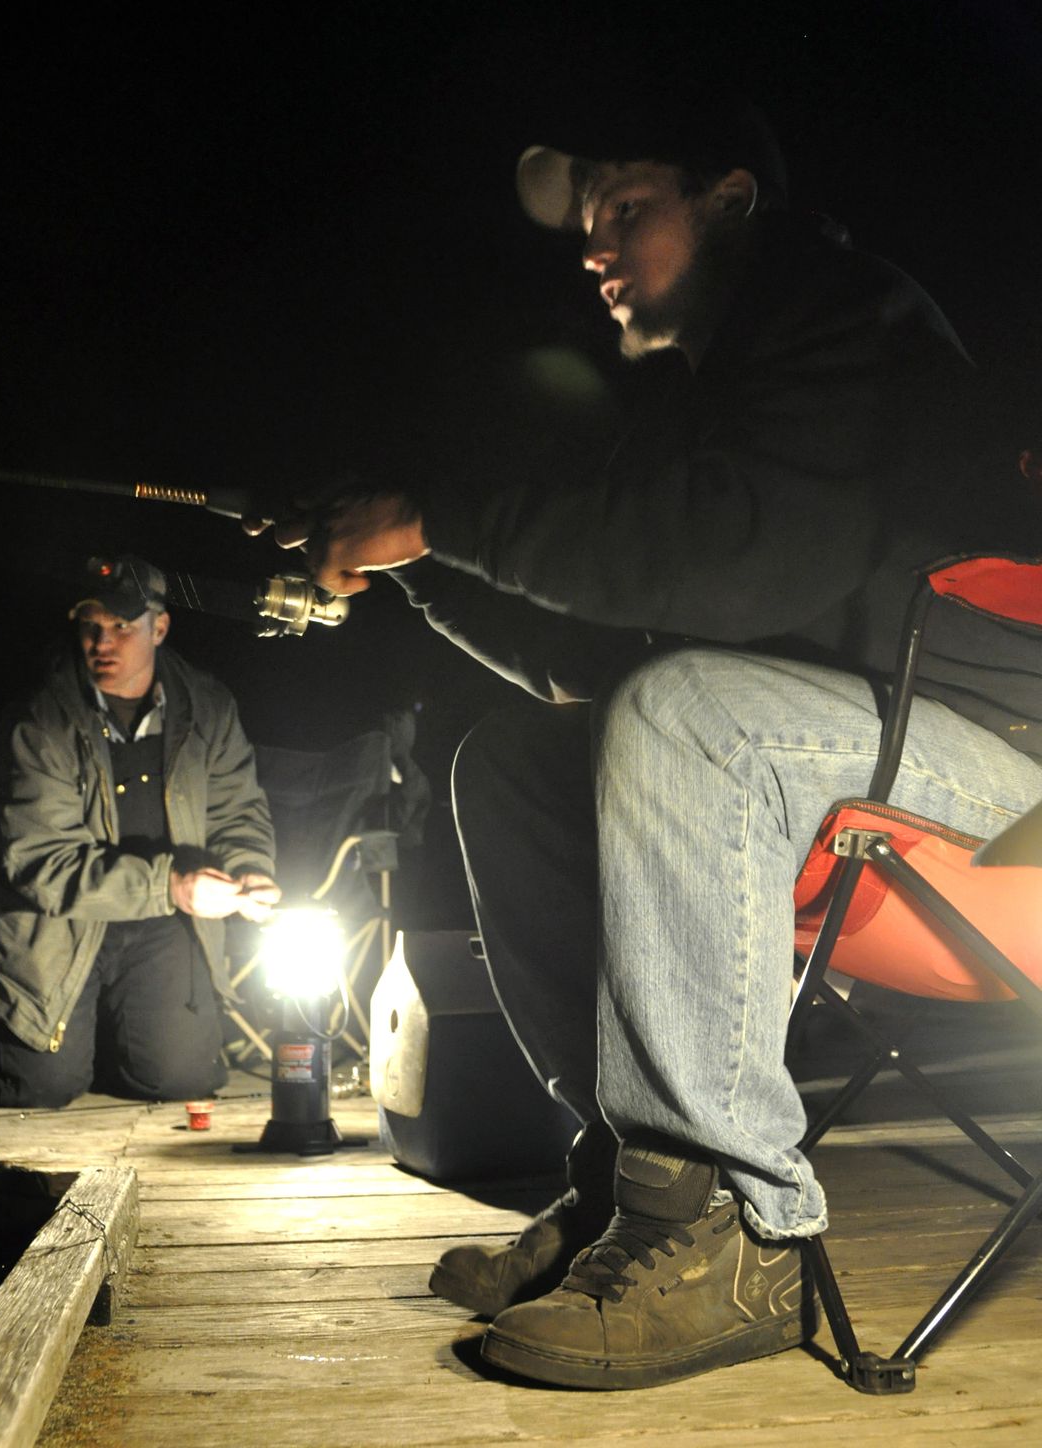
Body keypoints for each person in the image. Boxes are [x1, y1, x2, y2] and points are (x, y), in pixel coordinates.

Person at [249, 90, 1042, 1390]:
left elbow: (722, 564)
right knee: (517, 764)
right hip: (871, 748)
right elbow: (604, 665)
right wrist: (412, 566)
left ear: (731, 197)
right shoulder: (722, 387)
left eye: (623, 206)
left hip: (1012, 770)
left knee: (693, 716)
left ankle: (734, 1226)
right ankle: (635, 1185)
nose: (592, 246)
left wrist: (437, 516)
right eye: (583, 223)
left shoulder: (846, 320)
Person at [0, 555, 279, 1108]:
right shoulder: (39, 718)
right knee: (41, 1090)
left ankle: (121, 1040)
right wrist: (173, 887)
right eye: (90, 625)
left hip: (164, 928)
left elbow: (238, 811)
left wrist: (250, 868)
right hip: (56, 929)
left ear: (159, 627)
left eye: (121, 626)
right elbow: (42, 864)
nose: (102, 642)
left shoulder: (207, 706)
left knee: (181, 1081)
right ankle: (69, 1041)